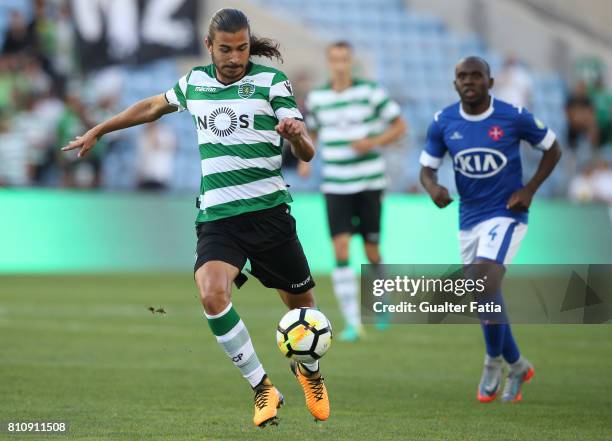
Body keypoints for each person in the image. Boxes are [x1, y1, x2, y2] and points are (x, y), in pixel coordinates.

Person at [62, 8, 330, 427]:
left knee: (305, 312)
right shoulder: (194, 83)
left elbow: (305, 146)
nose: (235, 57)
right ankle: (262, 387)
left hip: (269, 215)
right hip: (219, 218)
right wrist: (100, 129)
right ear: (209, 47)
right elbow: (152, 106)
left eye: (242, 48)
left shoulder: (270, 82)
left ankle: (310, 373)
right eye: (226, 49)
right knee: (211, 293)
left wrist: (298, 139)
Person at [419, 57, 561, 403]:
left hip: (506, 213)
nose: (469, 81)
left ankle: (492, 362)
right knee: (483, 293)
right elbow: (427, 169)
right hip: (468, 218)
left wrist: (529, 189)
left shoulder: (513, 116)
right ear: (455, 84)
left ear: (490, 81)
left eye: (476, 76)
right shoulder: (443, 121)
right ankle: (518, 365)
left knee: (485, 283)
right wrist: (433, 188)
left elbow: (553, 148)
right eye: (462, 76)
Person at [301, 41, 407, 341]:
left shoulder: (370, 92)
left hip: (369, 182)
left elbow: (400, 126)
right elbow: (314, 132)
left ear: (351, 61)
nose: (339, 64)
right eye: (334, 59)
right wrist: (306, 159)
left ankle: (380, 301)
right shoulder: (318, 97)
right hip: (335, 184)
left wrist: (372, 142)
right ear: (328, 62)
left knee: (372, 250)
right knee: (341, 249)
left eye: (344, 59)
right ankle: (352, 322)